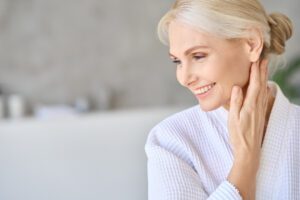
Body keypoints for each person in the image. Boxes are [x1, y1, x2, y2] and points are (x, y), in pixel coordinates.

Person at [144, 0, 299, 199]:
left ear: (251, 43)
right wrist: (245, 161)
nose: (184, 78)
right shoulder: (170, 141)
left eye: (198, 56)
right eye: (177, 61)